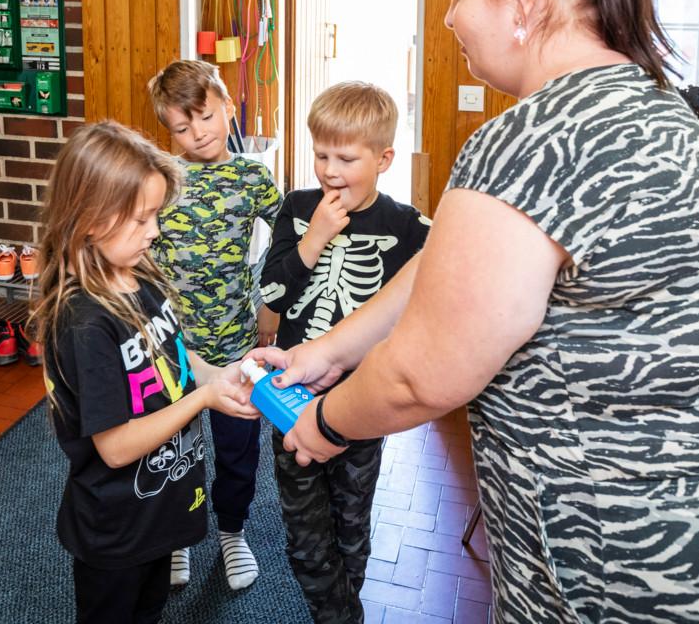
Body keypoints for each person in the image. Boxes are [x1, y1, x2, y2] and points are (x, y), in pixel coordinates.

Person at [251, 0, 699, 622]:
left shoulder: (528, 143)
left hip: (655, 562)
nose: (449, 17)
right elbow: (459, 267)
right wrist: (328, 352)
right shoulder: (660, 105)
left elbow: (421, 379)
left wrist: (325, 423)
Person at [32, 121, 258, 624]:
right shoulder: (85, 322)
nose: (155, 230)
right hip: (116, 526)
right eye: (141, 219)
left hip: (160, 506)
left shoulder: (140, 278)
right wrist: (201, 402)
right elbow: (115, 447)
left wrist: (221, 376)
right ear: (89, 218)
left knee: (150, 612)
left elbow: (175, 359)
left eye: (155, 215)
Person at [259, 81, 430, 623]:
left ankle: (343, 609)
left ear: (383, 159)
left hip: (361, 399)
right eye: (320, 155)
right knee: (304, 531)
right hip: (290, 393)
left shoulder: (407, 226)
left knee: (351, 522)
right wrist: (314, 240)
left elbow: (427, 302)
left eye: (346, 158)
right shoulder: (298, 208)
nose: (330, 170)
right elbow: (272, 293)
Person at [147, 60, 283, 591]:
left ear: (227, 106)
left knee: (236, 447)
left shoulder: (253, 176)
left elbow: (288, 236)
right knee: (174, 448)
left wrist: (272, 306)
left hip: (236, 343)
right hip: (171, 347)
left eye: (204, 116)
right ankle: (179, 534)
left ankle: (231, 531)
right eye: (181, 127)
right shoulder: (161, 176)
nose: (196, 133)